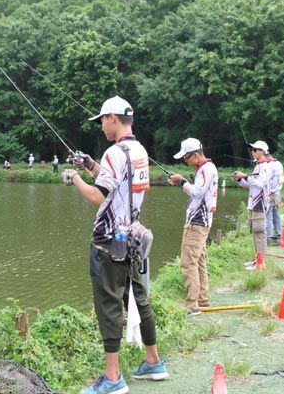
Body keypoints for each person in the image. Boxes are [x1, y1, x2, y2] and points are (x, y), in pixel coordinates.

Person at [61, 96, 168, 394]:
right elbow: (119, 185)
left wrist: (73, 178)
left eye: (102, 121)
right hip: (132, 239)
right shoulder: (138, 150)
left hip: (108, 242)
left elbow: (98, 196)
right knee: (138, 299)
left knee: (109, 306)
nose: (101, 127)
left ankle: (112, 379)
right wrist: (90, 166)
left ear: (112, 117)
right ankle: (153, 361)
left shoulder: (114, 151)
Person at [168, 138, 218, 315]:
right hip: (202, 223)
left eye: (186, 157)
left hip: (197, 224)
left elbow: (197, 192)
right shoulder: (206, 169)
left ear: (195, 154)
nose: (185, 161)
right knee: (199, 261)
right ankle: (203, 299)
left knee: (188, 263)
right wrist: (182, 180)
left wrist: (181, 181)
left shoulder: (206, 169)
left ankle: (192, 305)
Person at [233, 140, 270, 269]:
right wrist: (240, 180)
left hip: (259, 204)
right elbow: (251, 185)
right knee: (255, 232)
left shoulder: (265, 166)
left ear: (262, 152)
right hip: (253, 204)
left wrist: (246, 176)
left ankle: (261, 263)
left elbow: (261, 184)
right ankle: (257, 260)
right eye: (252, 150)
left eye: (255, 150)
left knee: (259, 232)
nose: (252, 152)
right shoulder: (258, 166)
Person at [266, 152, 284, 242]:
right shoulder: (279, 164)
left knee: (268, 215)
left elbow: (271, 181)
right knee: (277, 214)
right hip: (278, 192)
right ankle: (278, 233)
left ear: (267, 156)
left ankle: (268, 237)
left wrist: (269, 192)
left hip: (271, 193)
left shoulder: (270, 166)